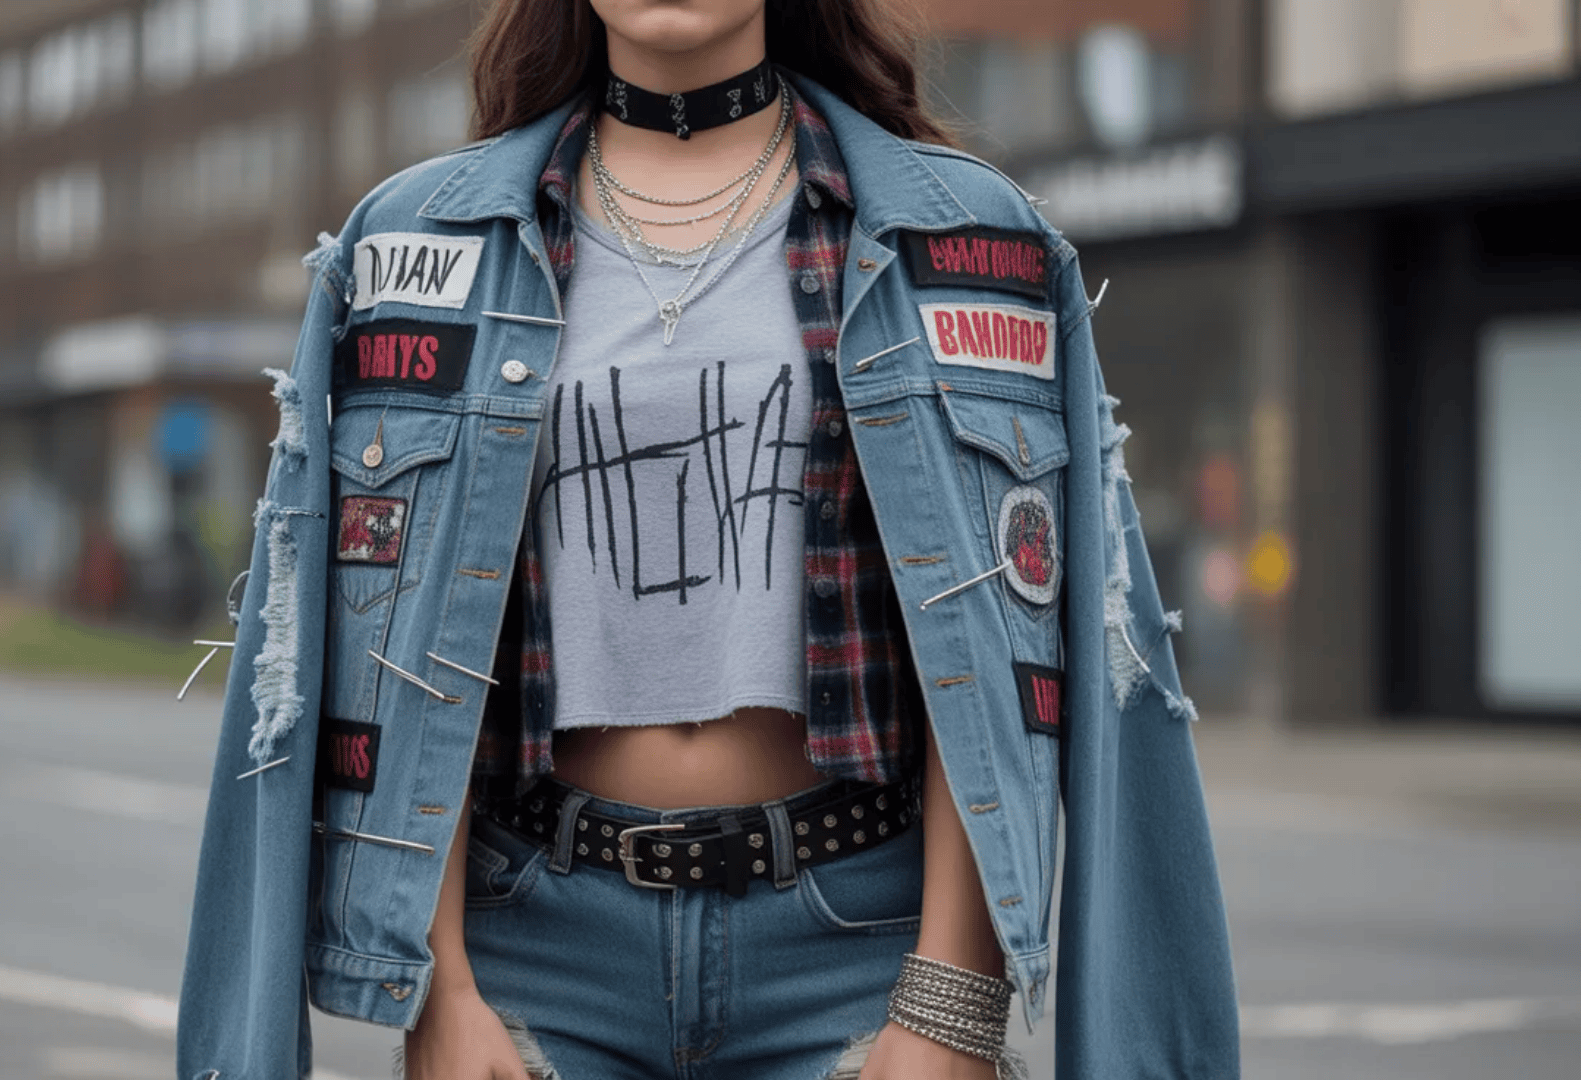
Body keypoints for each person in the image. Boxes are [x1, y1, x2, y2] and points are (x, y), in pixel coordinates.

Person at [177, 2, 1240, 1079]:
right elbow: (380, 645)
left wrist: (953, 1000)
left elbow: (1009, 651)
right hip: (531, 963)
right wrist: (439, 985)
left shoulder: (968, 242)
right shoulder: (416, 245)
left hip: (857, 964)